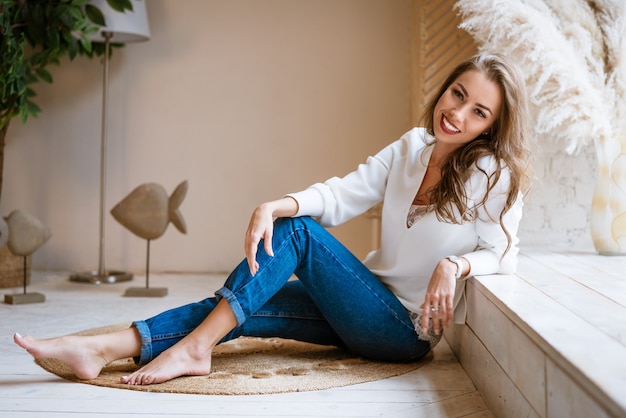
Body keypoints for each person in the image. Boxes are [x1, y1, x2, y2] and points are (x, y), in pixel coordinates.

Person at [14, 53, 531, 386]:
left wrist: (454, 266)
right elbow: (343, 193)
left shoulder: (493, 173)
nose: (458, 114)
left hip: (403, 330)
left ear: (491, 127)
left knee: (298, 234)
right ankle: (101, 348)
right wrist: (277, 203)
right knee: (240, 304)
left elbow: (503, 255)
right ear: (446, 88)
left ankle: (194, 349)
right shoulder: (412, 148)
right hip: (364, 303)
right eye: (458, 94)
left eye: (479, 112)